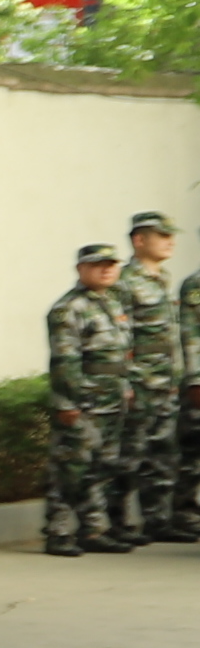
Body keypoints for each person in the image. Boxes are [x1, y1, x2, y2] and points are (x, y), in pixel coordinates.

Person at [43, 242, 138, 555]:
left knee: (102, 467)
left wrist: (125, 386)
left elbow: (120, 353)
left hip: (112, 398)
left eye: (111, 264)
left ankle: (94, 530)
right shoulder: (68, 308)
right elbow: (64, 360)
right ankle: (58, 532)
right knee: (71, 466)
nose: (106, 270)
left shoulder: (112, 303)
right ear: (81, 269)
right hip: (84, 400)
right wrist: (67, 402)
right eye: (98, 265)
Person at [129, 212, 189, 541]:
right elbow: (119, 336)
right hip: (140, 383)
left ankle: (158, 521)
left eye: (171, 235)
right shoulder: (125, 281)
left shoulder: (163, 279)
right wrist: (129, 381)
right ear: (139, 240)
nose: (170, 242)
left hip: (165, 383)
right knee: (130, 456)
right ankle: (117, 524)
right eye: (162, 235)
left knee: (163, 455)